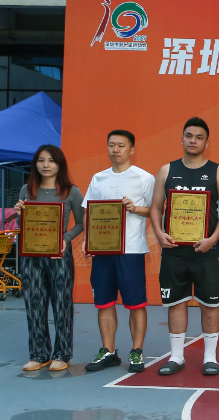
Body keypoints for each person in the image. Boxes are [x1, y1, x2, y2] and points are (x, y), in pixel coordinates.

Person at [149, 117, 219, 376]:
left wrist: (213, 239)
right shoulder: (167, 170)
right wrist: (159, 233)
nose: (193, 141)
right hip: (174, 250)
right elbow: (156, 207)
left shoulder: (218, 172)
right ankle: (176, 357)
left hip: (207, 250)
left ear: (207, 142)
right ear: (182, 139)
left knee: (210, 303)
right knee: (176, 302)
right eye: (189, 136)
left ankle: (210, 358)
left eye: (199, 137)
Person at [79, 131, 155, 373]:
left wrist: (135, 208)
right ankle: (108, 351)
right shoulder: (98, 178)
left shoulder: (144, 178)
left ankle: (137, 351)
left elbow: (157, 210)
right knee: (104, 303)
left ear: (131, 150)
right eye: (111, 145)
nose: (115, 149)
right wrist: (87, 240)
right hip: (102, 251)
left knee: (135, 304)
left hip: (131, 251)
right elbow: (88, 212)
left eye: (121, 145)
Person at [15, 145, 83, 371]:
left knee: (62, 304)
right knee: (34, 304)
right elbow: (22, 225)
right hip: (31, 256)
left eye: (51, 160)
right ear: (35, 163)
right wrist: (19, 215)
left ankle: (62, 354)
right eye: (41, 160)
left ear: (60, 164)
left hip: (59, 255)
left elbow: (82, 222)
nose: (46, 165)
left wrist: (66, 238)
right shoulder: (27, 190)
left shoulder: (71, 191)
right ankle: (39, 354)